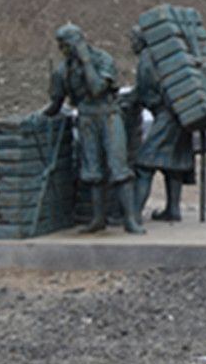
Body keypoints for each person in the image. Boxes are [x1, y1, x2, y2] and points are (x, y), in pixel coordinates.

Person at [42, 23, 144, 234]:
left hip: (109, 116)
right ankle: (98, 219)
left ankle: (130, 219)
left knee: (118, 167)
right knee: (92, 170)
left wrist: (86, 60)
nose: (63, 50)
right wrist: (38, 117)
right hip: (86, 119)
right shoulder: (63, 70)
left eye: (67, 44)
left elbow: (97, 88)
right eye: (61, 45)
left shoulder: (101, 59)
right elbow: (56, 103)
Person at [130, 26, 196, 222]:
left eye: (133, 39)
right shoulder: (162, 55)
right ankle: (173, 210)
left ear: (141, 39)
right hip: (180, 114)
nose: (131, 44)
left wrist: (132, 99)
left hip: (166, 116)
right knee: (172, 164)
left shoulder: (147, 57)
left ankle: (134, 214)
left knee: (144, 164)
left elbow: (145, 88)